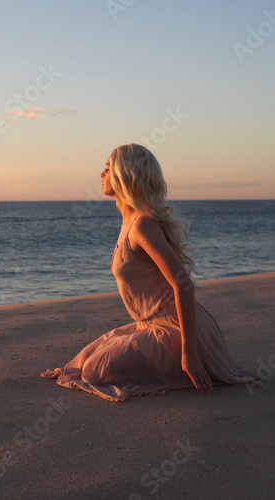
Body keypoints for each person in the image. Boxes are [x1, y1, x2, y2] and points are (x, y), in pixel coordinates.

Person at [40, 143, 257, 402]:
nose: (101, 174)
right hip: (151, 324)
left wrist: (189, 352)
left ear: (125, 174)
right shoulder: (129, 222)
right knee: (82, 362)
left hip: (177, 328)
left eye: (107, 168)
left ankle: (191, 363)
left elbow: (183, 285)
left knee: (95, 371)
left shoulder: (142, 225)